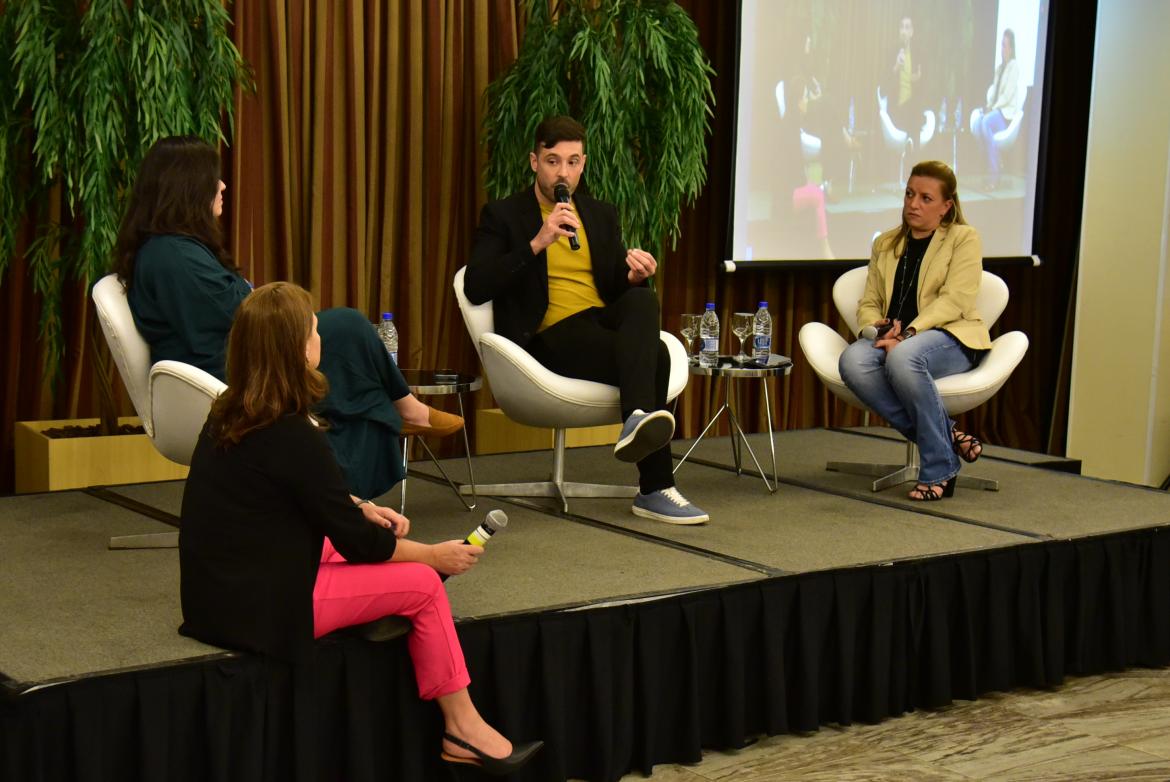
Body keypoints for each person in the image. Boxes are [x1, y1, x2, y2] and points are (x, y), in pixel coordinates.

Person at [179, 281, 542, 775]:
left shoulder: (228, 412)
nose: (320, 337)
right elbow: (360, 542)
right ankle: (463, 729)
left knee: (357, 546)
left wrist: (355, 505)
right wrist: (433, 556)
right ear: (299, 349)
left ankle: (385, 609)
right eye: (314, 329)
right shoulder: (292, 432)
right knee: (421, 584)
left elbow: (282, 494)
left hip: (214, 595)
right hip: (263, 608)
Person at [112, 136, 461, 500]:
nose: (222, 186)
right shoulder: (174, 258)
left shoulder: (173, 247)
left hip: (233, 358)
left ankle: (399, 414)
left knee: (345, 329)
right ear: (186, 187)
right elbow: (246, 317)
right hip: (229, 374)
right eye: (213, 178)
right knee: (349, 332)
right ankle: (397, 419)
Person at [465, 115, 708, 525]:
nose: (564, 172)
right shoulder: (504, 215)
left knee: (641, 300)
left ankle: (636, 422)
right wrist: (538, 241)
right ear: (534, 162)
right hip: (545, 338)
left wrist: (633, 276)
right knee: (659, 363)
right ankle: (655, 488)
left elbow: (614, 288)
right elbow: (476, 285)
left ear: (584, 164)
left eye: (573, 162)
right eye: (553, 161)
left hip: (595, 324)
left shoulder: (599, 214)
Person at [838, 160, 989, 501]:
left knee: (903, 358)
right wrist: (874, 329)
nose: (912, 204)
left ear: (946, 206)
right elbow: (869, 301)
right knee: (852, 361)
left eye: (925, 198)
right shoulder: (887, 244)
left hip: (950, 336)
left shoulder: (964, 239)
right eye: (909, 194)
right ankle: (948, 438)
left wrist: (908, 335)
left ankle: (939, 469)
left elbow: (955, 300)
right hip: (892, 338)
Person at [974, 28, 1022, 189]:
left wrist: (993, 108)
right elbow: (994, 91)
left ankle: (994, 176)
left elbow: (1007, 96)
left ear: (1011, 48)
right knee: (979, 121)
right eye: (1001, 45)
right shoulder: (1000, 68)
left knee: (986, 122)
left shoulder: (1014, 67)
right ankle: (995, 161)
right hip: (996, 111)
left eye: (1005, 45)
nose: (1002, 49)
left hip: (1005, 115)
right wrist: (988, 106)